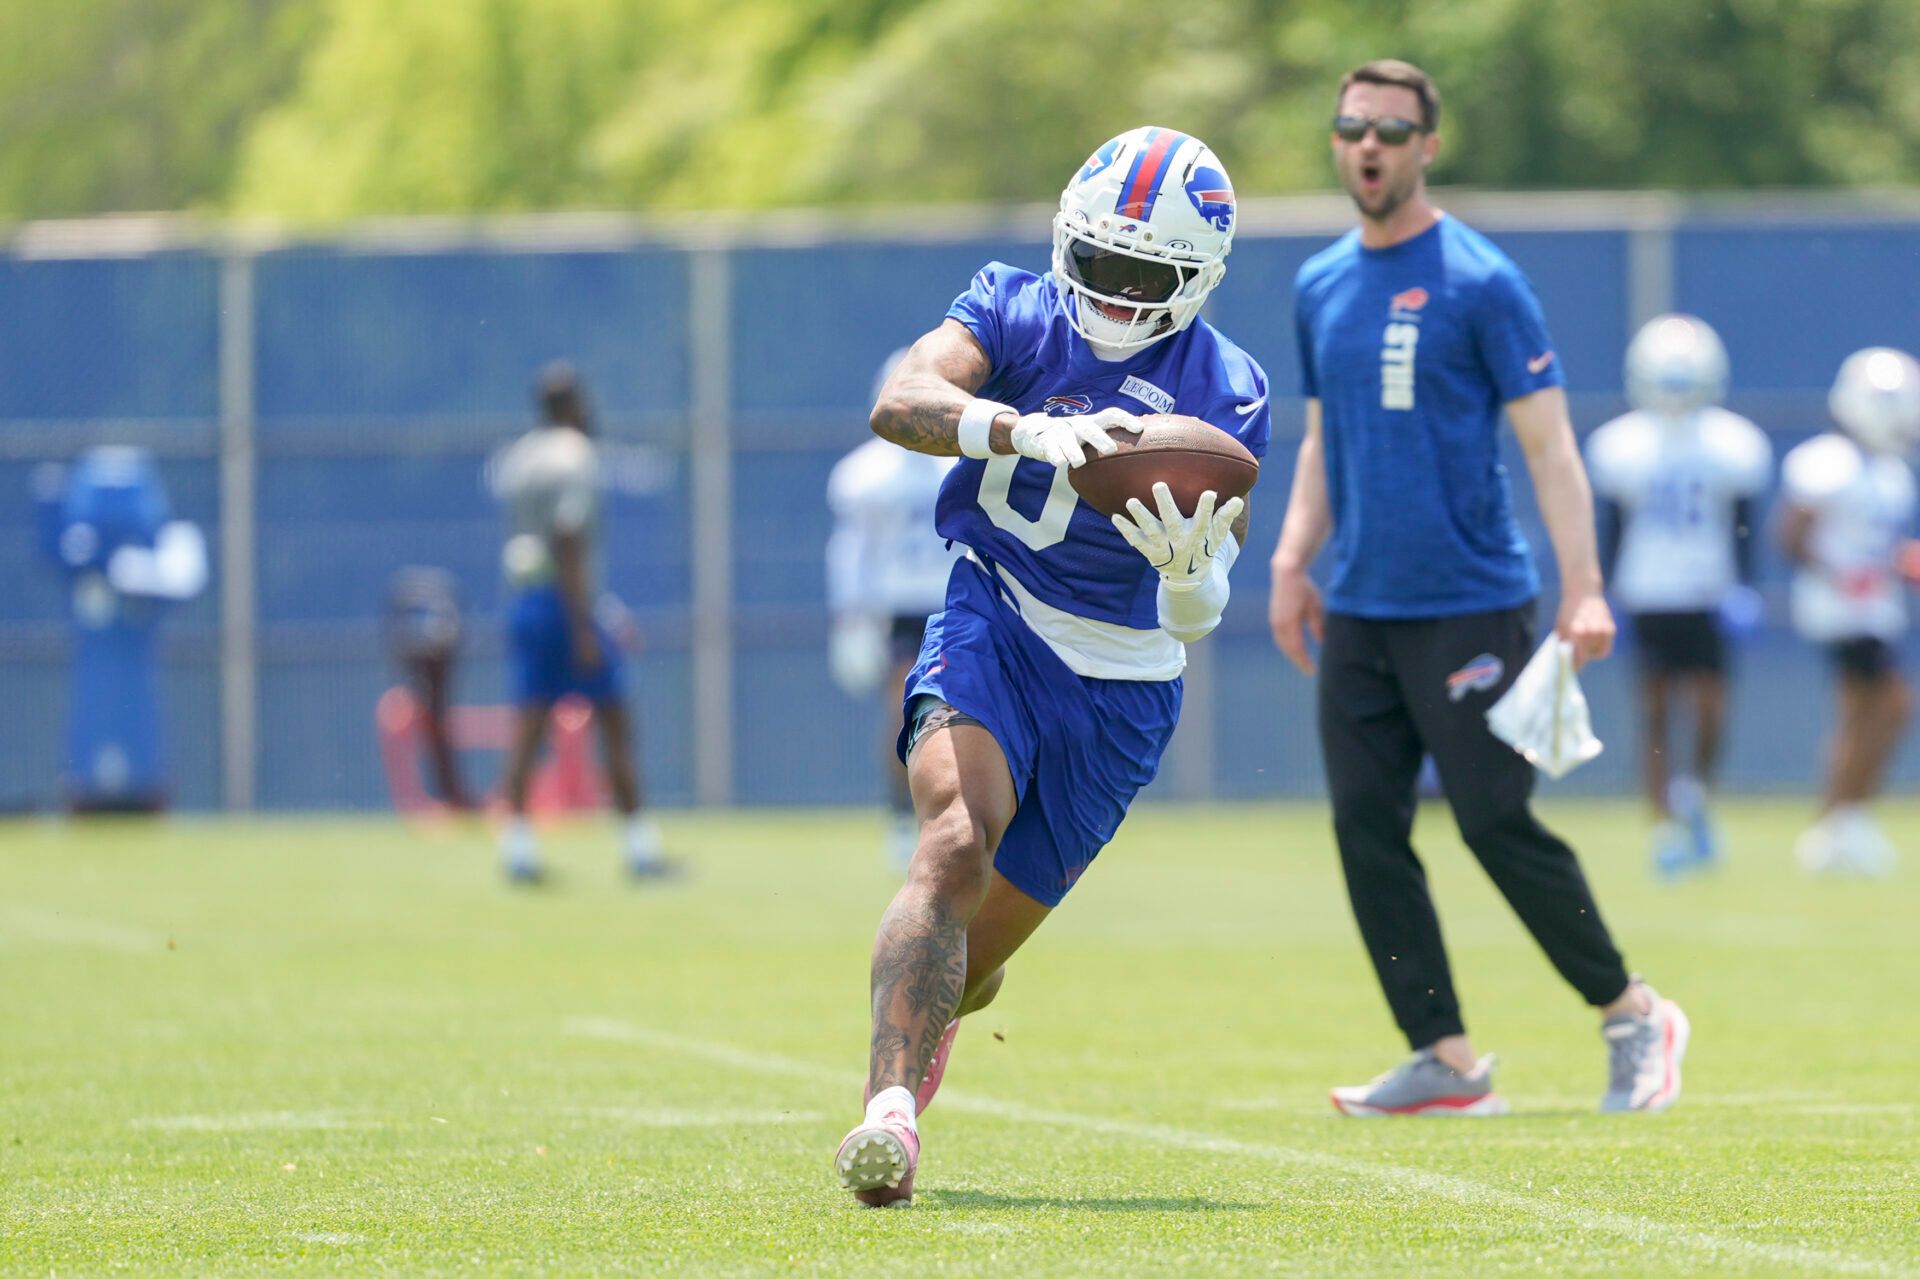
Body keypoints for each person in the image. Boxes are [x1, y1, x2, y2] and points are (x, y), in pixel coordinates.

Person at [832, 126, 1270, 1206]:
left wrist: (1186, 578)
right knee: (951, 839)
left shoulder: (1226, 384)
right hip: (998, 616)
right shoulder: (1011, 304)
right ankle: (887, 1114)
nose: (1113, 295)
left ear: (1198, 281)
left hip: (1124, 682)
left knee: (969, 967)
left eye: (1143, 276)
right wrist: (1015, 430)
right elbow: (902, 398)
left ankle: (950, 987)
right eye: (1100, 264)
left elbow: (1209, 599)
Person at [1266, 60, 1686, 1117]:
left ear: (1426, 148)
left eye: (1392, 131)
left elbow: (1549, 449)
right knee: (1366, 825)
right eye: (1353, 126)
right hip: (1359, 601)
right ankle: (1447, 1061)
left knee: (1495, 820)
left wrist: (1583, 588)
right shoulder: (1320, 284)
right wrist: (1288, 560)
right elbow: (1321, 443)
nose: (1370, 146)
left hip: (1470, 600)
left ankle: (1633, 1010)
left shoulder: (1483, 280)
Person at [1586, 315, 1772, 876]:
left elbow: (1742, 524)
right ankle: (1662, 825)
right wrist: (1606, 591)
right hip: (1647, 591)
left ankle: (1696, 798)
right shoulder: (1621, 444)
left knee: (1712, 708)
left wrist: (1745, 586)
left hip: (1708, 589)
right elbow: (1612, 527)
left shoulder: (1732, 442)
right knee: (1656, 711)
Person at [491, 361, 669, 883]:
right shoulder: (577, 456)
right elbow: (569, 540)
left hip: (526, 598)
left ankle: (517, 849)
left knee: (528, 726)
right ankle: (639, 849)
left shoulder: (519, 458)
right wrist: (583, 624)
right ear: (576, 405)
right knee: (614, 720)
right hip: (565, 605)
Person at [1776, 346, 1920, 877]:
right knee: (1891, 704)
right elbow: (1790, 535)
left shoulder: (1889, 470)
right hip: (1840, 608)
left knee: (1863, 713)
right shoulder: (1826, 463)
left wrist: (1898, 563)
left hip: (1874, 607)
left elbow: (1879, 546)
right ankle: (1842, 821)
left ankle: (1842, 821)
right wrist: (1840, 574)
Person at [825, 349, 961, 871]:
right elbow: (851, 552)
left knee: (957, 717)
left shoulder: (951, 461)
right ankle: (905, 819)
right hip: (906, 606)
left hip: (953, 599)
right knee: (908, 718)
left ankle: (941, 816)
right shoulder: (868, 473)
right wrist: (851, 618)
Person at [384, 565, 476, 811]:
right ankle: (446, 798)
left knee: (441, 756)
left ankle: (451, 798)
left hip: (436, 715)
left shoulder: (438, 657)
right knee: (433, 756)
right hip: (426, 713)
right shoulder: (422, 657)